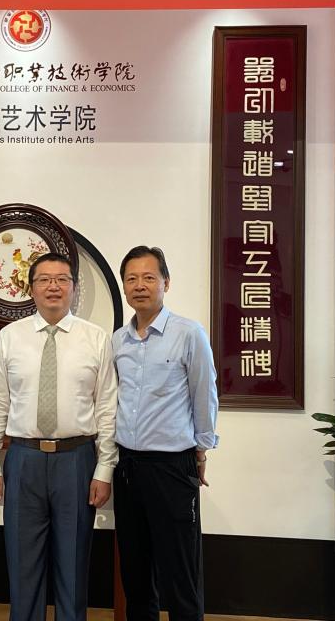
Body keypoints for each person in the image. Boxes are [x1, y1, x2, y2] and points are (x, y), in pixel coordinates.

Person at [0, 252, 118, 621]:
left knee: (73, 565)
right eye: (44, 279)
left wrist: (104, 469)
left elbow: (107, 408)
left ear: (74, 287)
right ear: (31, 288)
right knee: (22, 565)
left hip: (77, 459)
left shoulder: (95, 339)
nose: (53, 286)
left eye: (62, 279)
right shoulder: (10, 337)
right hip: (23, 460)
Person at [111, 246, 218, 621]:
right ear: (125, 286)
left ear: (166, 283)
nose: (139, 285)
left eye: (148, 277)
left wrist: (202, 450)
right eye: (131, 278)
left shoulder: (188, 334)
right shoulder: (118, 340)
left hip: (172, 467)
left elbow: (205, 394)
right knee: (136, 573)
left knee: (180, 573)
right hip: (127, 467)